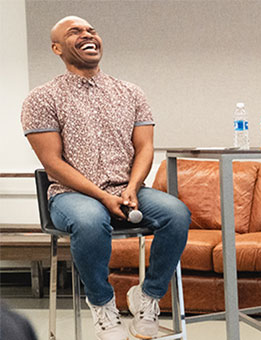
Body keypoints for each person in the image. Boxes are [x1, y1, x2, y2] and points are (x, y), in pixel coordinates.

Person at [21, 16, 190, 340]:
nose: (87, 35)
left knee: (176, 213)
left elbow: (145, 148)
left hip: (128, 190)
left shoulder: (131, 92)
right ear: (57, 48)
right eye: (75, 32)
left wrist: (131, 188)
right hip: (71, 194)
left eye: (91, 30)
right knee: (89, 221)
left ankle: (149, 296)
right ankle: (102, 305)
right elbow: (52, 163)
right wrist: (102, 196)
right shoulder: (42, 98)